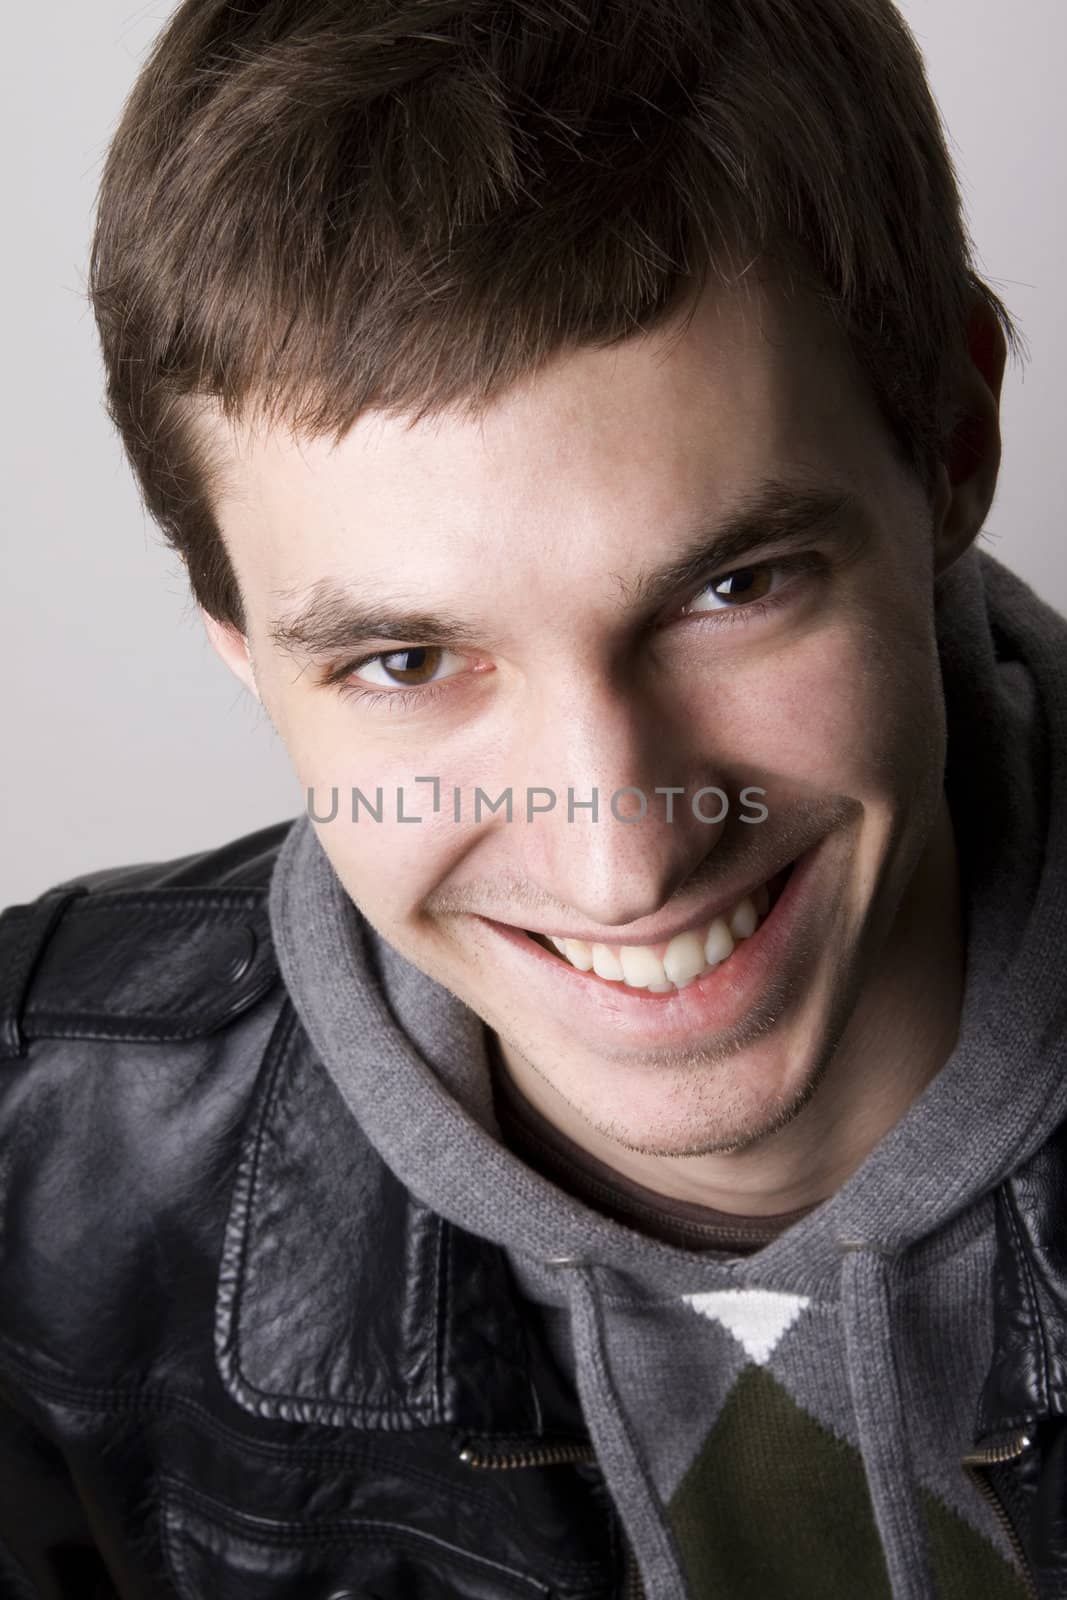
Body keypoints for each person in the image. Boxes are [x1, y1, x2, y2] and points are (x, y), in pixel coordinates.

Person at [1, 0, 1063, 1595]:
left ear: (956, 441)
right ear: (237, 644)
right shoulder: (30, 1148)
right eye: (408, 660)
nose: (622, 855)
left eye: (734, 586)